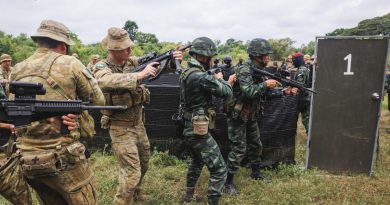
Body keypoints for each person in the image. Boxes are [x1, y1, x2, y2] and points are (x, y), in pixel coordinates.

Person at [9, 19, 105, 205]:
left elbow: (15, 109)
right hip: (64, 156)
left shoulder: (18, 68)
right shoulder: (71, 63)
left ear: (39, 42)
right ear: (63, 45)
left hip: (27, 158)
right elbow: (98, 100)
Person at [93, 27, 183, 205]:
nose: (130, 50)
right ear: (113, 50)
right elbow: (103, 81)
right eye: (125, 48)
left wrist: (171, 61)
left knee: (144, 163)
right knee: (131, 171)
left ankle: (136, 194)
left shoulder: (131, 62)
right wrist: (139, 76)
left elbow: (156, 68)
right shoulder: (101, 66)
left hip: (138, 124)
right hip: (119, 126)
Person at [223, 38, 297, 195]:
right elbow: (249, 92)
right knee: (238, 149)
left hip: (250, 115)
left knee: (256, 145)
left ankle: (256, 173)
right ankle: (228, 182)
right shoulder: (244, 69)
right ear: (257, 55)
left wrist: (284, 91)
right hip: (238, 115)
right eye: (266, 55)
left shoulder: (258, 70)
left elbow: (266, 94)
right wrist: (265, 84)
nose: (268, 58)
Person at [179, 37, 235, 205]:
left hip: (190, 127)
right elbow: (226, 92)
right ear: (204, 57)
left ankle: (188, 196)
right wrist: (223, 79)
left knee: (197, 161)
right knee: (219, 169)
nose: (211, 61)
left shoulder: (186, 72)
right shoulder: (200, 76)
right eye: (210, 57)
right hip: (197, 131)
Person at [291, 52, 311, 134]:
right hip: (305, 98)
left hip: (301, 99)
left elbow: (299, 85)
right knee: (307, 120)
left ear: (298, 60)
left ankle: (312, 138)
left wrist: (291, 84)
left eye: (294, 60)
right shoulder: (305, 69)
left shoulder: (301, 71)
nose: (293, 62)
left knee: (306, 121)